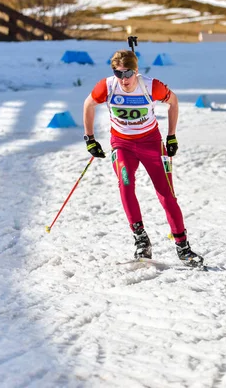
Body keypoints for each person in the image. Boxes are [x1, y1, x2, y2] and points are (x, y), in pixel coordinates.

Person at [83, 49, 204, 268]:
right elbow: (88, 104)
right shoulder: (107, 86)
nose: (123, 80)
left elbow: (173, 102)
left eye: (127, 74)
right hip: (122, 145)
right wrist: (90, 139)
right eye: (118, 74)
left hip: (151, 144)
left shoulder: (150, 85)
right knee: (125, 185)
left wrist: (171, 136)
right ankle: (141, 239)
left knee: (166, 194)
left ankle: (183, 247)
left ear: (136, 71)